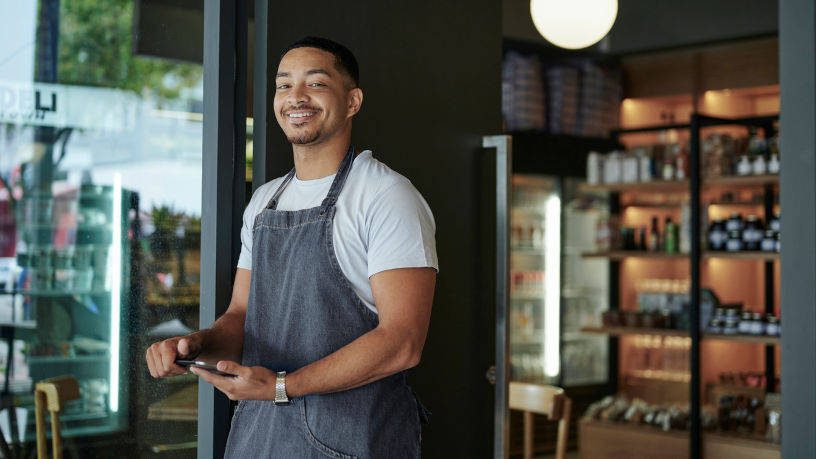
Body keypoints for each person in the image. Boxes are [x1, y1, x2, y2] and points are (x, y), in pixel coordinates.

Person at [145, 36, 438, 458]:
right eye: (283, 85)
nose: (295, 97)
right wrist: (196, 346)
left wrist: (282, 387)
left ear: (353, 101)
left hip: (355, 437)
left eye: (316, 83)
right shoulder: (265, 201)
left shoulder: (385, 195)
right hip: (261, 434)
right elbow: (241, 317)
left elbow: (403, 341)